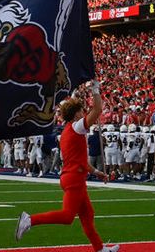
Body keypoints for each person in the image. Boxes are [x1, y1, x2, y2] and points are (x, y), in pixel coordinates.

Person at [15, 81, 117, 252]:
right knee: (67, 216)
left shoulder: (68, 130)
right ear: (76, 114)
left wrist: (96, 172)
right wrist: (95, 89)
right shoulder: (77, 127)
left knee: (87, 214)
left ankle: (99, 248)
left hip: (73, 176)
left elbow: (80, 161)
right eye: (81, 111)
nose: (83, 113)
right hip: (74, 178)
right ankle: (30, 220)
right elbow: (98, 110)